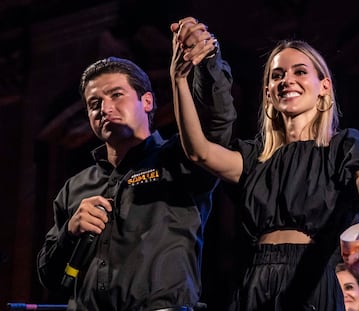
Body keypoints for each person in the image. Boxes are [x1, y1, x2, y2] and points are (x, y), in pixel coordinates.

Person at [170, 38, 359, 311]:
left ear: (324, 87)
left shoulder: (344, 147)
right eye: (277, 75)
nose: (287, 80)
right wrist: (179, 80)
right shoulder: (255, 157)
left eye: (300, 71)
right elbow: (199, 152)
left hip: (312, 274)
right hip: (255, 277)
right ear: (268, 91)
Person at [36, 17, 236, 311]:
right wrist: (70, 232)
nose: (104, 109)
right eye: (94, 104)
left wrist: (206, 62)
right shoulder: (76, 187)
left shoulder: (180, 160)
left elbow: (215, 122)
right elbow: (48, 277)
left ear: (147, 102)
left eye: (116, 95)